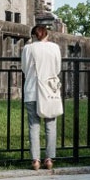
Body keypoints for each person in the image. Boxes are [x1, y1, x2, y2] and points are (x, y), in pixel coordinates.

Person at [21, 24, 63, 170]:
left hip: (32, 90)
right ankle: (49, 159)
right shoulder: (55, 48)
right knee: (51, 125)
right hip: (49, 91)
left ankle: (35, 160)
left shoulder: (28, 48)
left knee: (34, 126)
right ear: (47, 35)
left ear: (33, 36)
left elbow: (24, 68)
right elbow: (57, 69)